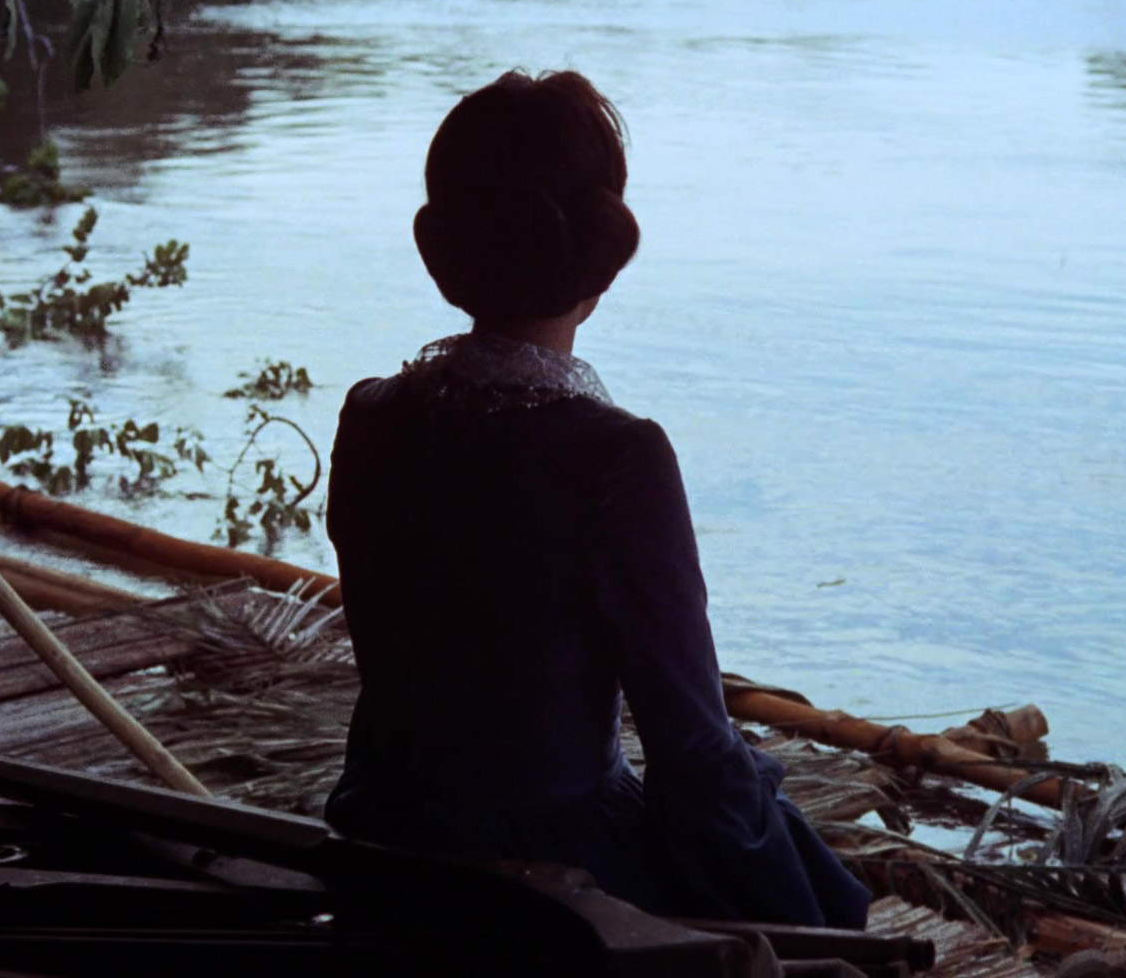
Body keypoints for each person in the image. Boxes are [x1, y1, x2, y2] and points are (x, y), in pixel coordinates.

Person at [324, 70, 871, 928]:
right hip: (550, 880)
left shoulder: (370, 417)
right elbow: (691, 748)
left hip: (381, 836)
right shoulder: (618, 456)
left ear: (437, 250)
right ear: (602, 263)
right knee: (830, 907)